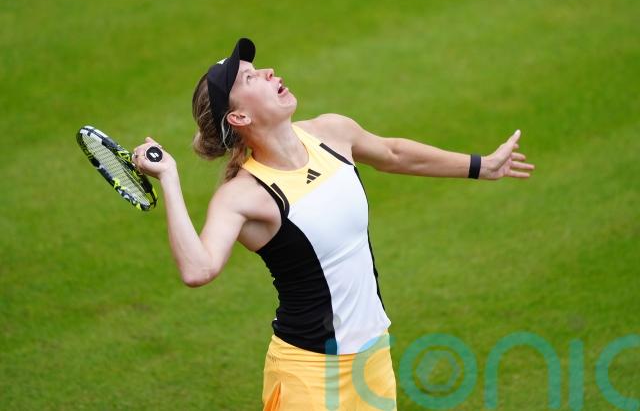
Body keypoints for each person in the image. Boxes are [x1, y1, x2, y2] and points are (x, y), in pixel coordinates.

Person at [131, 37, 535, 410]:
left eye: (258, 68)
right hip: (307, 377)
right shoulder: (244, 195)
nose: (268, 72)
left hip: (373, 361)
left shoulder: (330, 132)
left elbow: (393, 153)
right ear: (238, 115)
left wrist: (481, 166)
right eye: (250, 78)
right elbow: (198, 269)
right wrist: (169, 179)